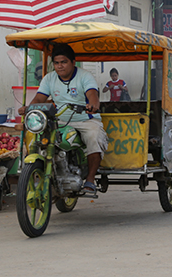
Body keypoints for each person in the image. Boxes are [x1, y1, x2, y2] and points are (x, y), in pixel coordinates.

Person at [18, 43, 107, 197]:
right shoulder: (49, 78)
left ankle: (90, 180)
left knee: (93, 137)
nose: (60, 66)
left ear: (73, 62)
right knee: (36, 137)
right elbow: (40, 98)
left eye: (64, 62)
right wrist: (29, 109)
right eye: (57, 63)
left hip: (85, 119)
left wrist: (93, 105)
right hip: (59, 120)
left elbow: (92, 94)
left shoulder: (85, 76)